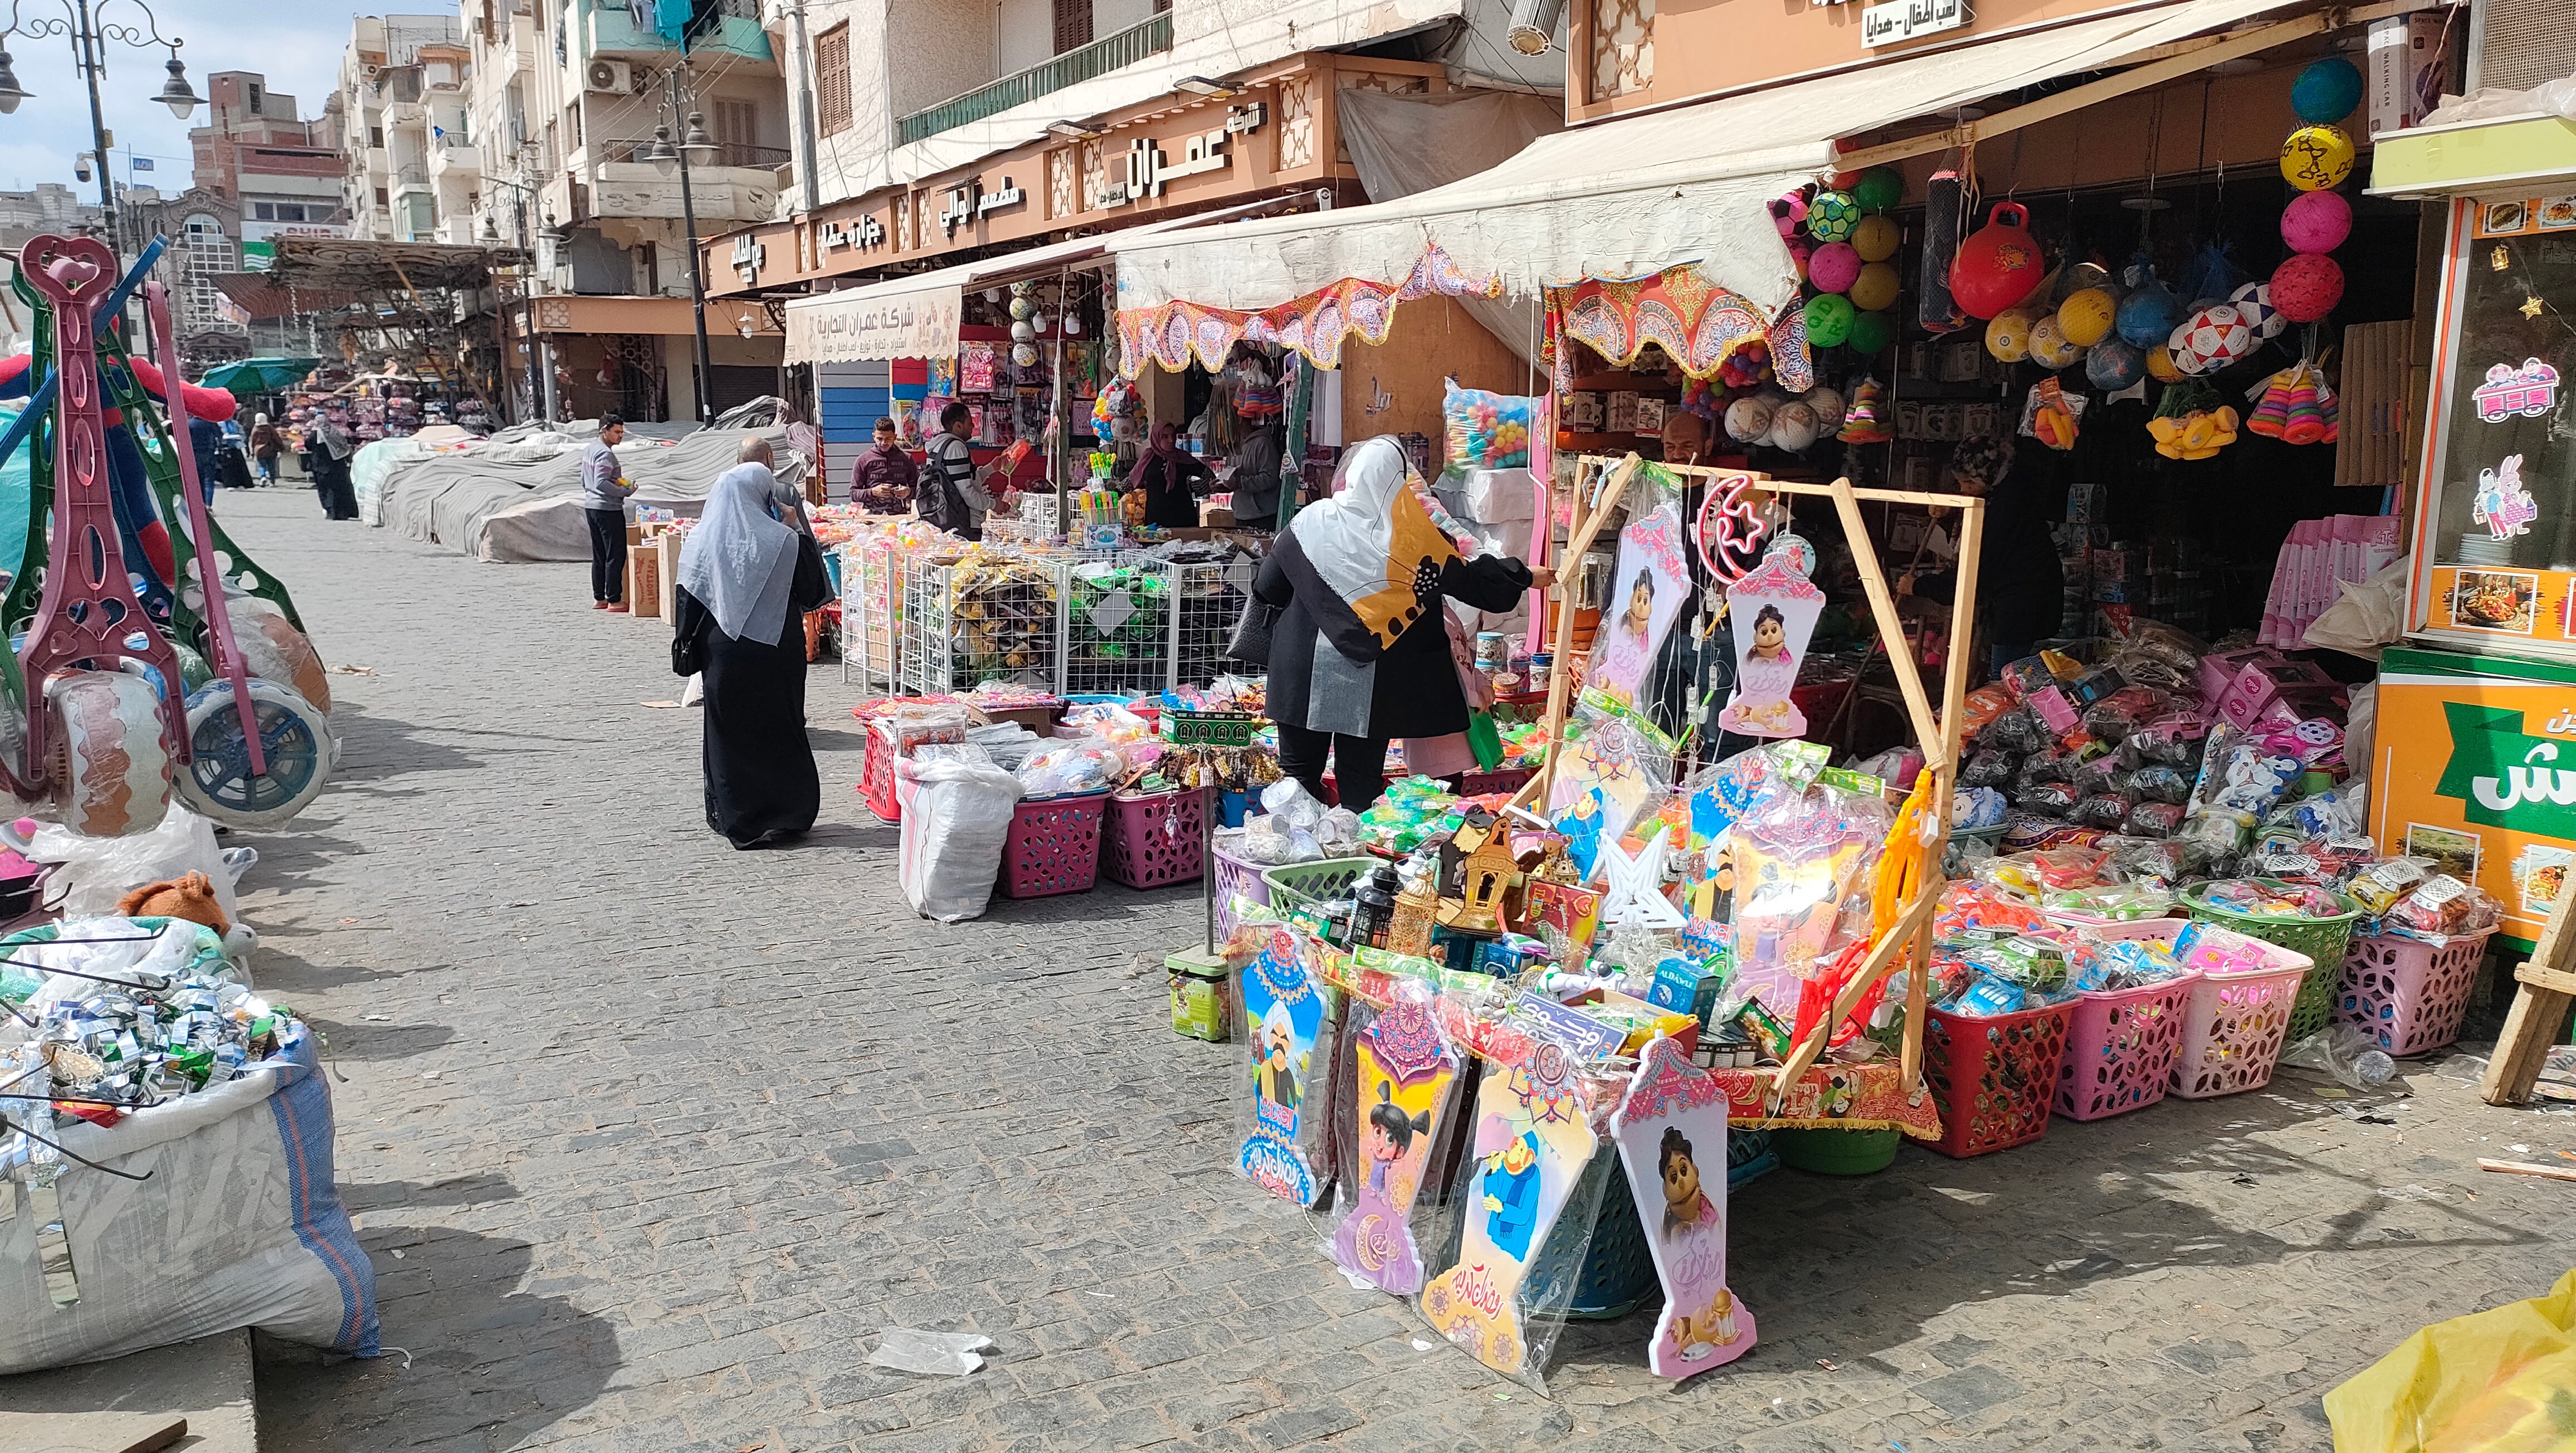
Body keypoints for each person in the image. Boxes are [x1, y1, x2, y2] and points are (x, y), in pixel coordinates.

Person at [1251, 435, 1549, 813]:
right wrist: (1522, 575)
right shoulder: (1416, 541)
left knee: (1297, 778)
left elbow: (1267, 587)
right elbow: (1471, 582)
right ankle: (1356, 864)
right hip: (1368, 680)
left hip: (1301, 670)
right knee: (1359, 783)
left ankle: (1288, 859)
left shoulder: (1309, 522)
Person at [671, 438, 833, 849]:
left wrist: (683, 645)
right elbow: (814, 592)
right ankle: (792, 813)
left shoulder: (700, 542)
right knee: (783, 727)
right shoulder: (784, 540)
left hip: (724, 653)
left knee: (731, 737)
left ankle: (741, 820)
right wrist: (795, 528)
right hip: (779, 650)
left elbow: (688, 603)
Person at [582, 413, 637, 612]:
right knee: (615, 553)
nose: (620, 436)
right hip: (608, 509)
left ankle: (600, 597)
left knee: (599, 554)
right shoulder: (606, 454)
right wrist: (625, 491)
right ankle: (615, 600)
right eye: (616, 432)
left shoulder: (590, 450)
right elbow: (601, 482)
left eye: (622, 432)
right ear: (604, 431)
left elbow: (585, 481)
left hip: (591, 507)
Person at [918, 401, 992, 540]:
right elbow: (967, 491)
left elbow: (961, 479)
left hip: (945, 520)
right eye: (970, 422)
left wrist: (992, 468)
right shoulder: (956, 447)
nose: (973, 426)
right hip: (963, 524)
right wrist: (993, 504)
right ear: (958, 426)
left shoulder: (937, 447)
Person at [1126, 420, 1214, 529]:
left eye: (1173, 436)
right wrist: (1114, 493)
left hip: (1182, 517)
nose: (1171, 440)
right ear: (1156, 437)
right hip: (1155, 518)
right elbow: (1134, 478)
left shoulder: (1182, 457)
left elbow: (1208, 475)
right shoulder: (1148, 458)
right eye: (1165, 437)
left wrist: (1193, 488)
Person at [1226, 415, 1285, 530]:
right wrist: (1224, 485)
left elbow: (1270, 478)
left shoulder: (1263, 443)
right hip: (1241, 514)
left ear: (1239, 420)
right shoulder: (1234, 446)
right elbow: (1231, 476)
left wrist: (1240, 483)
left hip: (1263, 515)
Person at [850, 416, 917, 514]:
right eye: (880, 439)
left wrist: (908, 492)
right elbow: (853, 494)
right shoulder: (863, 460)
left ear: (895, 437)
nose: (883, 443)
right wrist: (873, 492)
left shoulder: (906, 459)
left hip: (899, 520)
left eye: (888, 439)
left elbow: (920, 491)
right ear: (874, 437)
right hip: (871, 519)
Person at [309, 414, 359, 521]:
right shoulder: (334, 432)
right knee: (340, 489)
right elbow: (344, 446)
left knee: (327, 490)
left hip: (322, 467)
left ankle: (331, 512)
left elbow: (308, 445)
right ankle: (344, 513)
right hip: (338, 466)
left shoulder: (316, 433)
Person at [248, 413, 280, 484]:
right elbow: (276, 438)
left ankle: (263, 477)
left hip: (259, 450)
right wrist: (281, 447)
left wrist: (252, 452)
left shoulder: (255, 429)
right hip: (271, 449)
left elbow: (252, 441)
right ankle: (272, 481)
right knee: (272, 466)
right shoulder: (270, 428)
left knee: (261, 465)